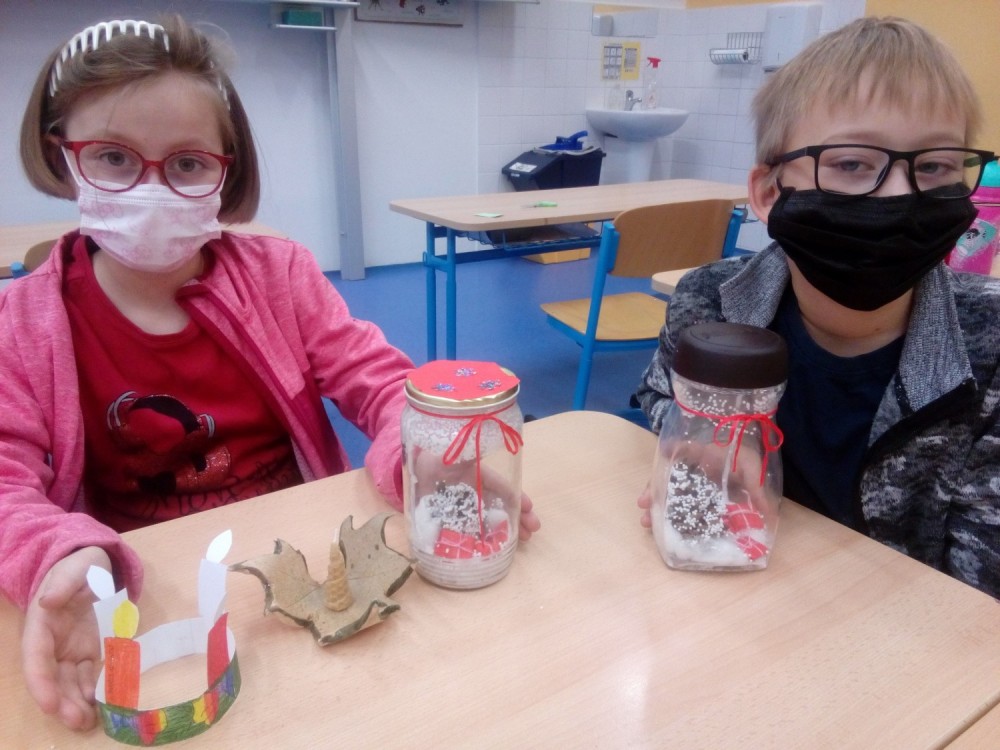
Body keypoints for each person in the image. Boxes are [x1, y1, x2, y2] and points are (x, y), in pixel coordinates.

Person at [2, 16, 540, 731]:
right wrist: (54, 556)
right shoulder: (23, 322)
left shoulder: (279, 276)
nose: (151, 189)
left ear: (227, 170)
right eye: (113, 158)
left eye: (187, 165)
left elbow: (378, 382)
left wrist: (423, 458)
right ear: (60, 154)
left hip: (296, 558)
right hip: (146, 590)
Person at [635, 17, 1000, 599]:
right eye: (852, 164)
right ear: (768, 193)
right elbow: (661, 395)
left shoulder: (990, 346)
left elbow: (978, 596)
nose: (902, 194)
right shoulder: (710, 303)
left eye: (934, 166)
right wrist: (706, 443)